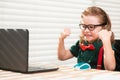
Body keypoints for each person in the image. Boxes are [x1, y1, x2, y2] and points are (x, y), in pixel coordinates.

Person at [57, 6, 119, 71]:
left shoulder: (106, 44)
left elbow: (110, 68)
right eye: (84, 26)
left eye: (91, 27)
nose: (86, 30)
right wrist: (61, 39)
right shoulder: (81, 43)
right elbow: (62, 57)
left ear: (104, 27)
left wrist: (106, 41)